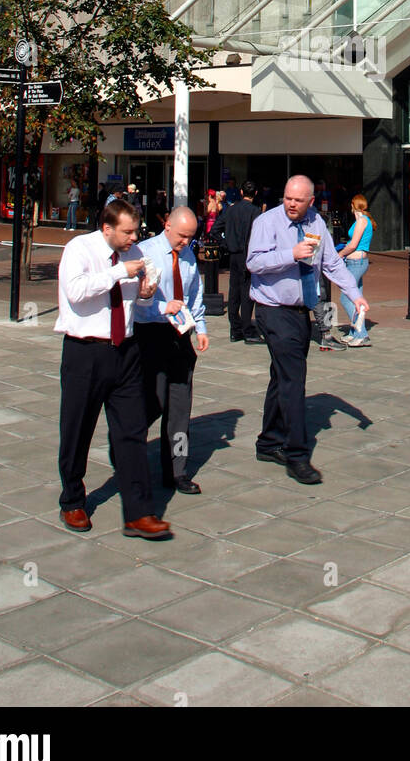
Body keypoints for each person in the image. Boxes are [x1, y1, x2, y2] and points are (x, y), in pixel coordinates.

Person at [54, 195, 172, 540]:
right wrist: (119, 271)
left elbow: (140, 299)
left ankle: (139, 512)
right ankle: (72, 499)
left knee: (132, 431)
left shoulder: (135, 254)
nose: (134, 238)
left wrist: (148, 292)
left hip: (127, 350)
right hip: (86, 351)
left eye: (136, 232)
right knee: (77, 428)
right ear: (107, 229)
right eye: (128, 232)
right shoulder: (80, 249)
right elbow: (76, 293)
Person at [246, 175, 369, 484]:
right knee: (293, 378)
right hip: (272, 310)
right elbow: (253, 263)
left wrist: (354, 294)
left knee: (281, 376)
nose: (291, 204)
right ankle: (297, 454)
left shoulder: (317, 224)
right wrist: (290, 255)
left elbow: (332, 264)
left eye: (298, 200)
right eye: (288, 198)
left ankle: (268, 442)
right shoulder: (266, 222)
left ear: (310, 201)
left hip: (303, 311)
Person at [136, 207, 209, 494]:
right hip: (151, 332)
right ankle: (128, 444)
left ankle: (176, 469)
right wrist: (160, 307)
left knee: (180, 407)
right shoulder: (145, 252)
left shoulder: (188, 255)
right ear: (167, 225)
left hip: (181, 333)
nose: (185, 242)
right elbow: (133, 300)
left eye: (190, 237)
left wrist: (201, 328)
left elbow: (194, 295)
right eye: (181, 236)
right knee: (153, 401)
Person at [210, 180, 263, 344]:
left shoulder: (231, 210)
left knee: (234, 291)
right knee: (247, 292)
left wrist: (226, 244)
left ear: (241, 192)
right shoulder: (255, 212)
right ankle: (247, 330)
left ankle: (235, 329)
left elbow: (214, 230)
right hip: (247, 255)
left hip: (233, 254)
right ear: (255, 194)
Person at [337, 194, 374, 347]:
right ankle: (354, 333)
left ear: (354, 205)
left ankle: (361, 333)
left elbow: (353, 245)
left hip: (356, 262)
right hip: (356, 262)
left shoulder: (361, 221)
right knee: (355, 295)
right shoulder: (362, 220)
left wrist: (339, 254)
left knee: (346, 296)